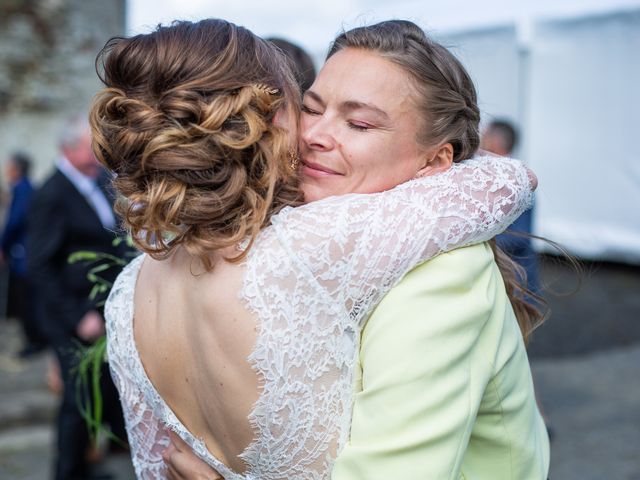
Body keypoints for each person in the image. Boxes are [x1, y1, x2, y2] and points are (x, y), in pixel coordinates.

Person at [92, 19, 541, 479]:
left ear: (437, 159)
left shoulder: (129, 290)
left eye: (359, 123)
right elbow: (505, 181)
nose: (313, 136)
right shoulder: (308, 251)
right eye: (310, 109)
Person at [27, 115, 130, 480]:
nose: (99, 152)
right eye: (91, 146)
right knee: (76, 399)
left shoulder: (99, 180)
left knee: (100, 390)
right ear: (68, 149)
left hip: (103, 308)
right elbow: (39, 266)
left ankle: (88, 464)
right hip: (72, 316)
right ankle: (67, 472)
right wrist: (76, 316)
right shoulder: (51, 194)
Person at [482, 119, 540, 293]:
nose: (480, 138)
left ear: (495, 142)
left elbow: (520, 236)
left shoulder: (518, 181)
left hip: (517, 281)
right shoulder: (488, 173)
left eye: (485, 135)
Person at [0, 151, 46, 355]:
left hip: (23, 254)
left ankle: (34, 340)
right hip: (26, 252)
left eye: (8, 167)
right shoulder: (27, 188)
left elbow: (14, 221)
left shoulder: (22, 190)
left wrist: (3, 245)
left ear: (16, 169)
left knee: (27, 300)